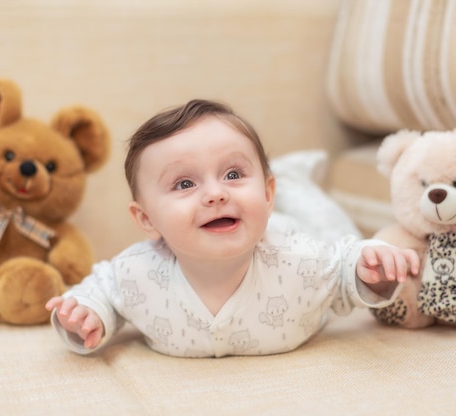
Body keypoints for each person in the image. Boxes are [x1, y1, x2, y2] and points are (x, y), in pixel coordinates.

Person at [46, 99, 420, 358]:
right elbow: (99, 291)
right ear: (146, 220)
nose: (215, 194)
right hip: (267, 216)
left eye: (233, 174)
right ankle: (280, 176)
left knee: (335, 225)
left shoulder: (302, 257)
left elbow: (343, 274)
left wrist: (369, 270)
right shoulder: (136, 272)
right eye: (184, 184)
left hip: (291, 228)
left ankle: (292, 181)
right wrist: (86, 316)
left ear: (267, 194)